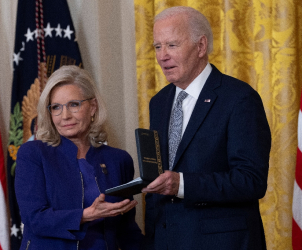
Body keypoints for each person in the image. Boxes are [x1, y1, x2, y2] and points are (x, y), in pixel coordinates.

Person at [141, 6, 271, 250]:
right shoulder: (158, 102)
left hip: (221, 242)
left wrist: (182, 185)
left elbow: (251, 180)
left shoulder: (239, 98)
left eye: (171, 45)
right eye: (157, 47)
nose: (162, 56)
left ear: (201, 46)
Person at [15, 65, 143, 250]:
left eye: (74, 105)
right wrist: (87, 214)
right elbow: (34, 219)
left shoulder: (118, 160)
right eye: (56, 107)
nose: (65, 116)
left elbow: (127, 231)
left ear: (92, 107)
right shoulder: (33, 153)